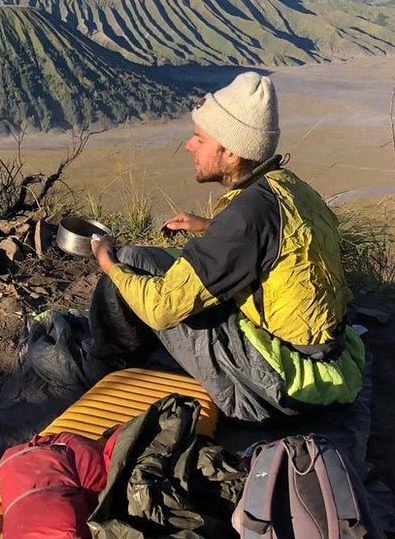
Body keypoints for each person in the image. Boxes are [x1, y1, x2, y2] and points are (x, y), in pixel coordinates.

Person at [90, 71, 365, 422]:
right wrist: (209, 228)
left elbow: (161, 309)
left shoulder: (246, 217)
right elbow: (277, 247)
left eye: (199, 138)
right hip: (327, 360)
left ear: (232, 152)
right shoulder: (288, 188)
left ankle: (107, 368)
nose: (189, 146)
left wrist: (107, 264)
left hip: (279, 386)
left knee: (129, 265)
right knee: (146, 261)